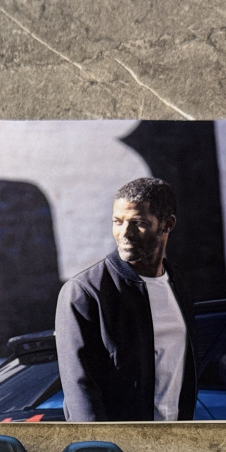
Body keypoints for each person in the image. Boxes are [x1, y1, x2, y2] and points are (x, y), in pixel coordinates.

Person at [54, 176, 198, 422]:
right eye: (117, 222)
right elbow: (81, 393)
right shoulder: (85, 292)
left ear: (167, 225)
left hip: (176, 437)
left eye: (138, 223)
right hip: (120, 442)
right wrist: (102, 445)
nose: (125, 233)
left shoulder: (179, 282)